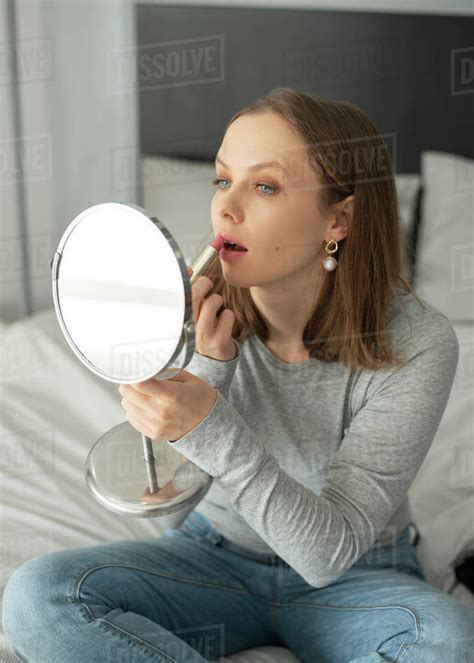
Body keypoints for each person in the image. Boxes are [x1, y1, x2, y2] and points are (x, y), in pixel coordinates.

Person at [3, 87, 473, 662]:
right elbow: (171, 507)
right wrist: (207, 373)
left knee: (444, 640)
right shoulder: (185, 311)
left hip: (356, 578)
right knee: (38, 596)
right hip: (212, 558)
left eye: (266, 186)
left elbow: (327, 556)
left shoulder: (420, 344)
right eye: (223, 180)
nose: (226, 209)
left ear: (340, 217)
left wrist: (208, 423)